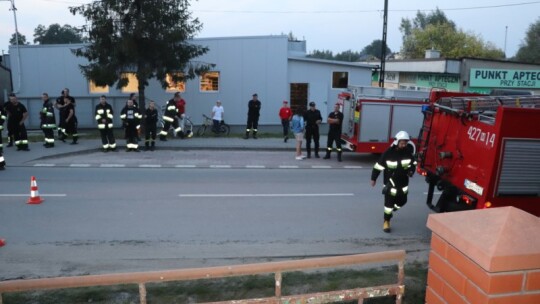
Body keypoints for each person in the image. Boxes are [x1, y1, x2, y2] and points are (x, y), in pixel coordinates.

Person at [370, 131, 416, 233]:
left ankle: (392, 210)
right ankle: (386, 221)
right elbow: (378, 167)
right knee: (388, 205)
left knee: (403, 201)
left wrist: (411, 171)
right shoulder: (388, 153)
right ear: (397, 142)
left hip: (403, 184)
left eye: (405, 143)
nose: (404, 145)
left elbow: (413, 163)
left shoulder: (408, 152)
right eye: (402, 143)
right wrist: (373, 178)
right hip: (390, 184)